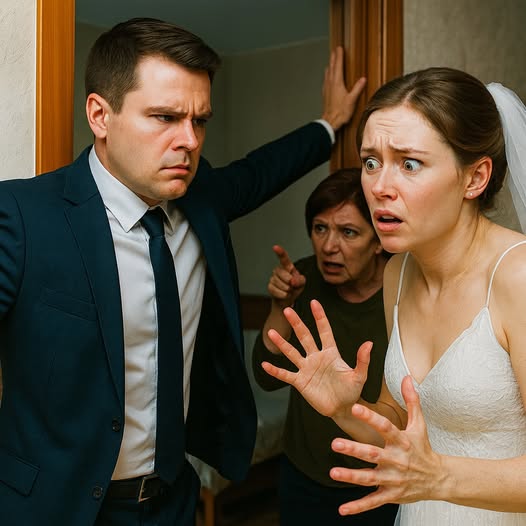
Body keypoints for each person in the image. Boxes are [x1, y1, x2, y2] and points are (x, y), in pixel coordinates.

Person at [0, 17, 366, 526]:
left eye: (200, 121)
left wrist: (329, 125)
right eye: (165, 117)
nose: (189, 140)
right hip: (54, 510)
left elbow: (260, 172)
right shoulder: (22, 216)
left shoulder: (202, 199)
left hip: (172, 503)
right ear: (100, 115)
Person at [261, 67, 526, 525]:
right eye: (371, 162)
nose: (380, 187)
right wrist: (346, 409)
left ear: (475, 178)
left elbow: (428, 471)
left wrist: (440, 478)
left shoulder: (517, 277)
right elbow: (401, 427)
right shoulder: (398, 273)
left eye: (409, 164)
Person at [252, 168, 397, 525]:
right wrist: (281, 307)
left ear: (379, 241)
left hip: (378, 478)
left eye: (348, 232)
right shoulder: (303, 279)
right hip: (304, 473)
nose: (329, 246)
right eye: (320, 228)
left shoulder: (403, 292)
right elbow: (266, 377)